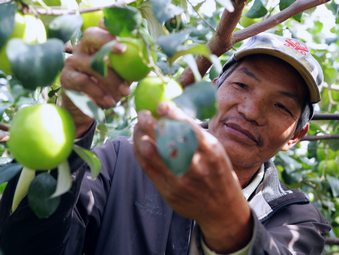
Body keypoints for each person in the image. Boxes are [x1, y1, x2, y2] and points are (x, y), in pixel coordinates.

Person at [0, 27, 331, 254]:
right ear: (213, 88)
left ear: (296, 135)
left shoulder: (297, 220)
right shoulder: (123, 162)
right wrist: (67, 132)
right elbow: (30, 244)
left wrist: (227, 219)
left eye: (280, 106)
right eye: (242, 86)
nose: (250, 110)